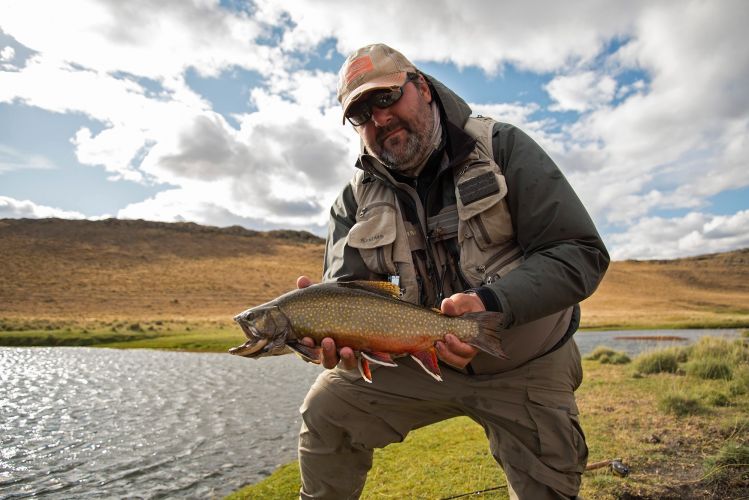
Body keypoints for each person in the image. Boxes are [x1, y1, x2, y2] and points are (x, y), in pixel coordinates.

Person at [295, 43, 610, 500]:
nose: (379, 120)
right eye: (361, 114)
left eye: (385, 98)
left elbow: (580, 253)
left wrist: (491, 304)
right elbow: (346, 294)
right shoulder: (352, 201)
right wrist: (319, 331)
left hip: (525, 360)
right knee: (326, 410)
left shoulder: (502, 147)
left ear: (421, 86)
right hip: (417, 361)